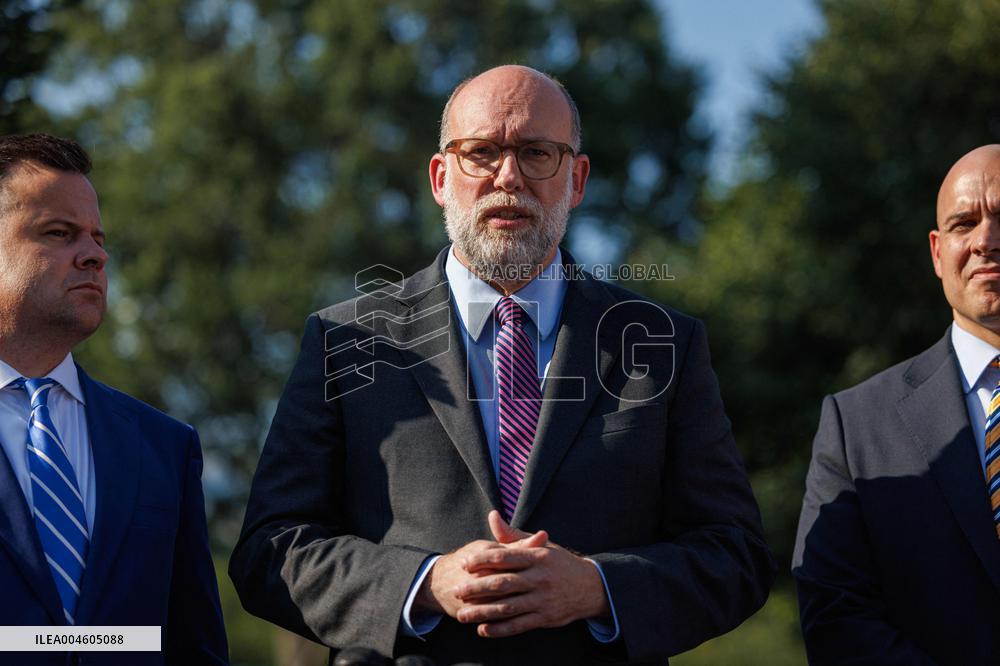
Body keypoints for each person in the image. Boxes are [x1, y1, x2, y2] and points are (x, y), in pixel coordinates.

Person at [230, 65, 774, 665]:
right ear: (440, 177)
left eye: (537, 152)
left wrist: (597, 588)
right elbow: (270, 551)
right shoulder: (346, 340)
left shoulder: (663, 343)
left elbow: (738, 557)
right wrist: (425, 584)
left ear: (578, 178)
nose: (508, 176)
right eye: (481, 152)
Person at [0, 134, 228, 665]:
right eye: (59, 233)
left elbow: (190, 647)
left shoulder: (164, 447)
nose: (95, 255)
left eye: (98, 240)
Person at [793, 144, 1000, 665]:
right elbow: (835, 615)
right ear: (936, 252)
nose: (985, 241)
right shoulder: (856, 425)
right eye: (963, 223)